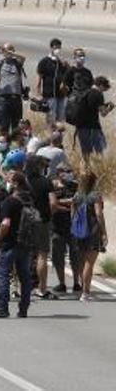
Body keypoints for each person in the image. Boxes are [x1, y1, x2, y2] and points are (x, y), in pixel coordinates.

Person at [0, 172, 35, 319]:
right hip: (25, 242)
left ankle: (3, 307)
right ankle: (24, 308)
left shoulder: (10, 201)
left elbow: (5, 223)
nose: (5, 182)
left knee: (3, 275)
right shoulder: (29, 200)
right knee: (24, 276)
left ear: (15, 184)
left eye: (8, 179)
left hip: (10, 243)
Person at [72, 171, 108, 302]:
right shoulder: (95, 196)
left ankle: (83, 289)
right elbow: (98, 214)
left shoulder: (77, 196)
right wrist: (104, 232)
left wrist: (75, 228)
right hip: (92, 231)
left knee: (82, 261)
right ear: (94, 181)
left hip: (78, 232)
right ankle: (85, 292)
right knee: (89, 263)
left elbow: (73, 214)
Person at [71, 76, 112, 158]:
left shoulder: (86, 92)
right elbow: (103, 113)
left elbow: (90, 106)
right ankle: (99, 167)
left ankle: (86, 168)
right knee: (101, 149)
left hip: (80, 125)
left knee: (86, 151)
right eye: (105, 88)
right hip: (92, 126)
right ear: (100, 85)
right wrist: (110, 108)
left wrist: (103, 105)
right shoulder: (98, 94)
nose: (104, 91)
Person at [35, 39, 69, 123]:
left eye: (59, 47)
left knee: (60, 117)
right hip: (49, 94)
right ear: (51, 48)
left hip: (61, 94)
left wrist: (67, 65)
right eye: (55, 47)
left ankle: (59, 134)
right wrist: (38, 92)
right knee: (51, 116)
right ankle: (51, 133)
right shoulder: (45, 61)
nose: (57, 49)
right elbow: (39, 77)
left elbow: (69, 74)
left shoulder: (61, 62)